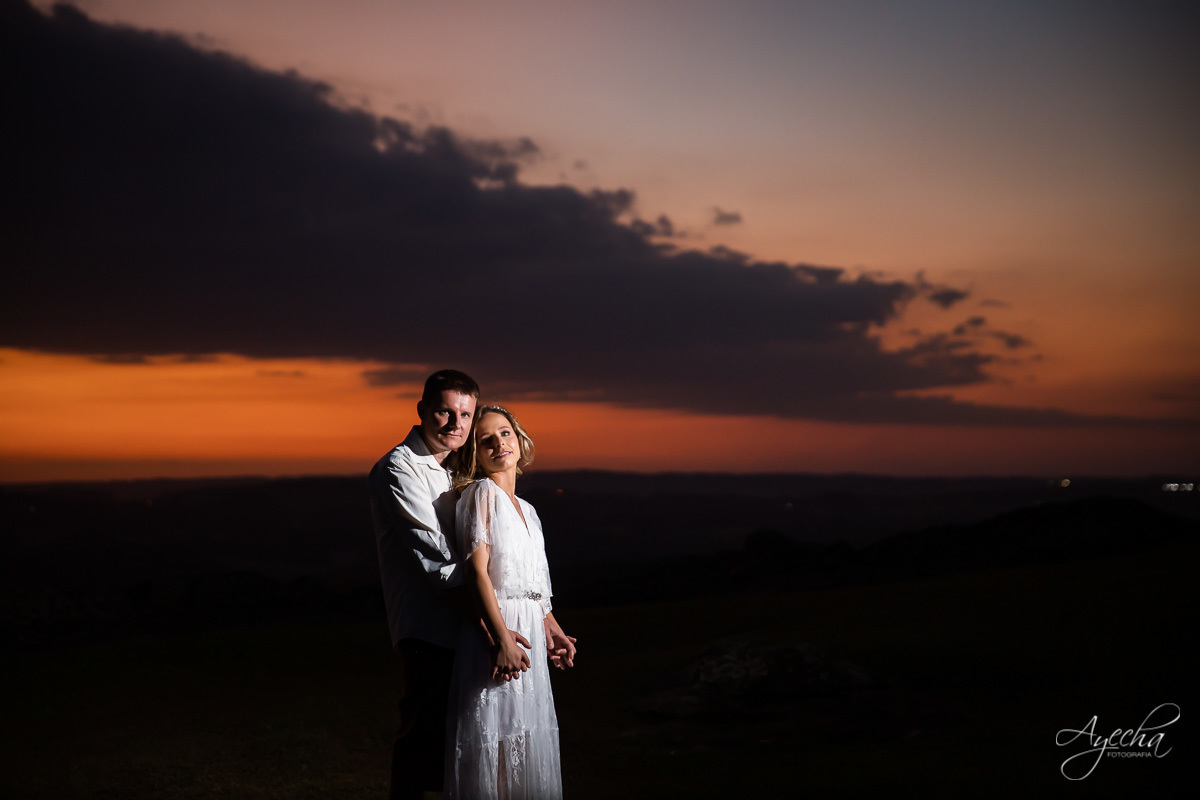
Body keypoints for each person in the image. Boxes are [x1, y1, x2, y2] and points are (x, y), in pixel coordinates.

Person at [369, 370, 534, 800]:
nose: (456, 423)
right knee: (421, 746)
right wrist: (493, 629)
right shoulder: (399, 469)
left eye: (465, 414)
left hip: (466, 628)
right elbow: (440, 564)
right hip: (428, 630)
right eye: (445, 411)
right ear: (423, 410)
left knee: (462, 751)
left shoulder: (459, 468)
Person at [445, 404, 577, 800]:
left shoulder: (531, 512)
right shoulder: (480, 493)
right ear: (475, 453)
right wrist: (500, 638)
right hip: (500, 631)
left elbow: (535, 586)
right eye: (485, 439)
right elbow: (476, 573)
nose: (498, 443)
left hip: (530, 632)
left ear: (519, 440)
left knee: (526, 738)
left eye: (504, 433)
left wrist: (552, 627)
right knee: (497, 743)